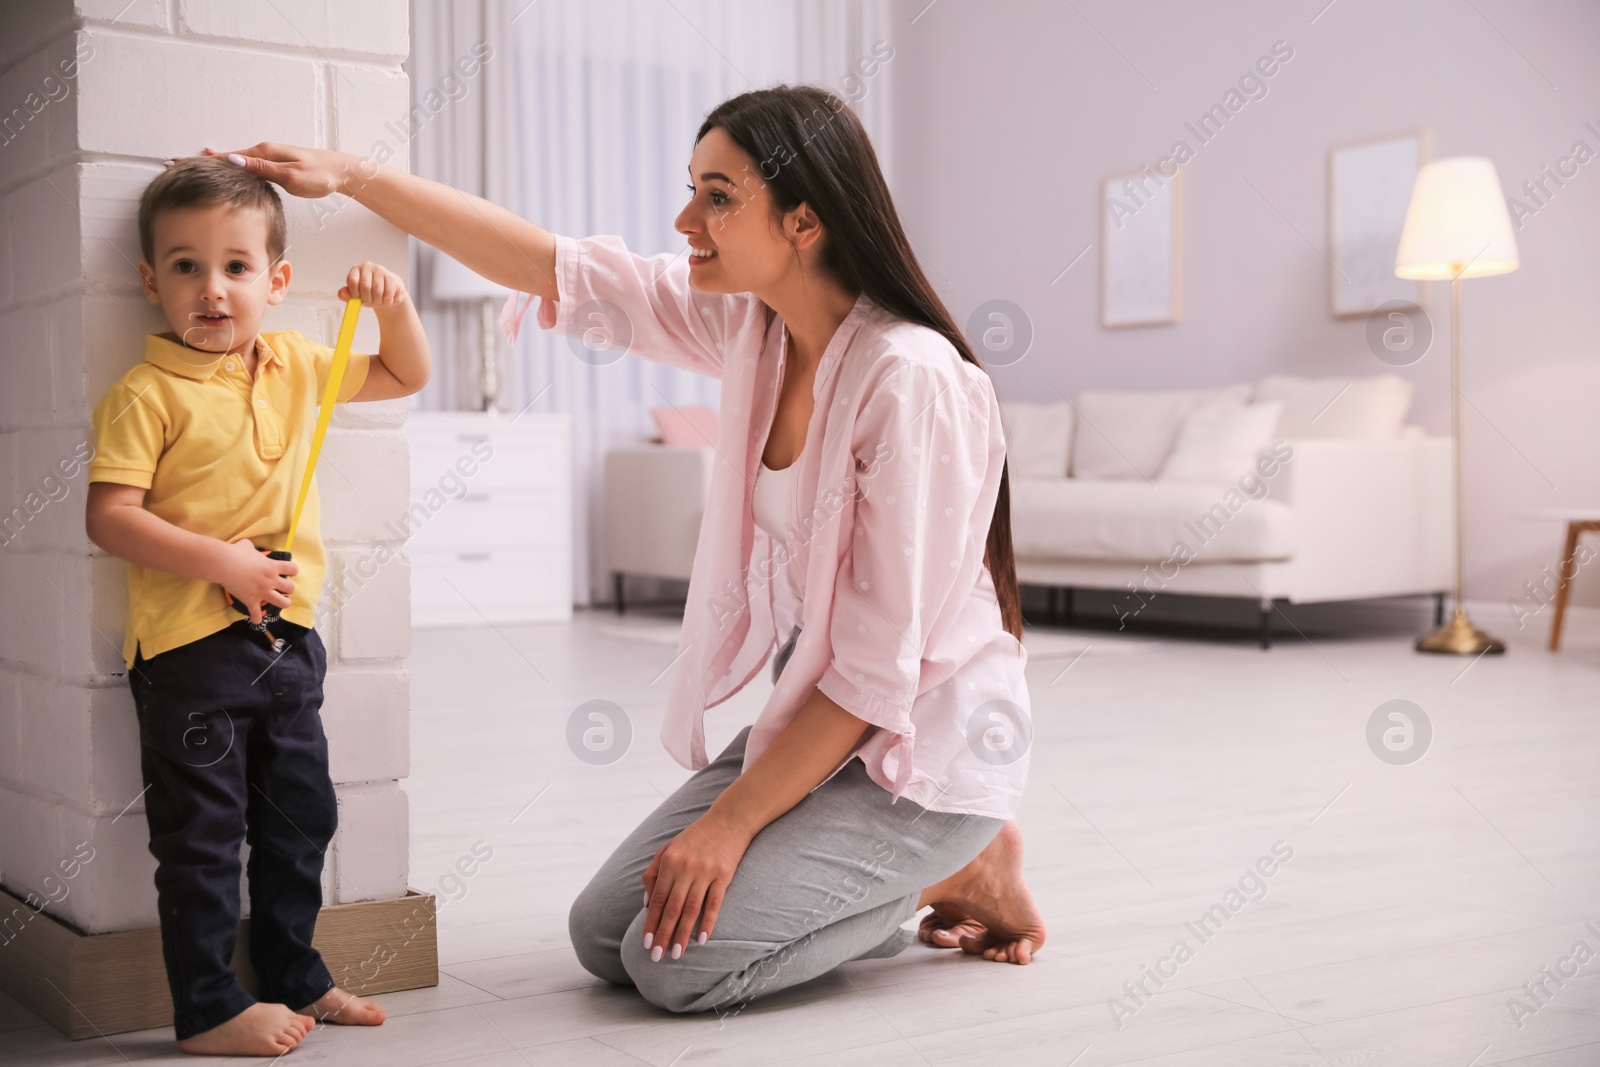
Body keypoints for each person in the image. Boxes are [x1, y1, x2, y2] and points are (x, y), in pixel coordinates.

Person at [212, 82, 1045, 1016]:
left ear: (805, 219)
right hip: (825, 712)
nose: (687, 216)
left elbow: (877, 669)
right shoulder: (753, 324)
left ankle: (954, 861)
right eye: (693, 188)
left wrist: (729, 827)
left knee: (678, 967)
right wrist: (357, 176)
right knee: (605, 934)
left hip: (920, 739)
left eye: (718, 196)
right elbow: (549, 265)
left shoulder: (910, 379)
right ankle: (885, 865)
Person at [84, 157, 432, 1055]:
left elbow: (403, 373)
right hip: (191, 653)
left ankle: (296, 974)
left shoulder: (296, 365)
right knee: (202, 837)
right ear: (149, 280)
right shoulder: (146, 393)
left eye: (236, 266)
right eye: (186, 265)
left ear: (276, 282)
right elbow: (110, 516)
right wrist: (223, 563)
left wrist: (394, 304)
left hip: (287, 644)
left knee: (300, 816)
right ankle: (205, 1006)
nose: (212, 288)